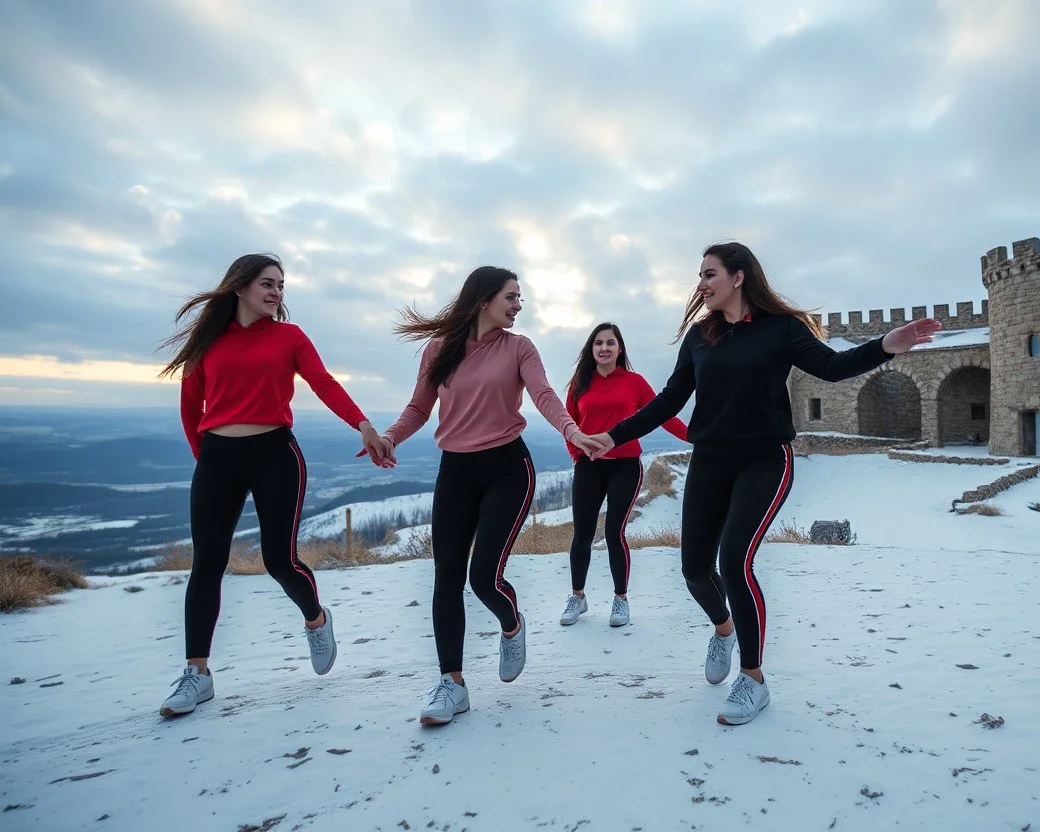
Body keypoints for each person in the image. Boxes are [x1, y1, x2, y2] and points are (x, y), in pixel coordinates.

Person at [585, 242, 940, 725]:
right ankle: (724, 629)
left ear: (738, 277)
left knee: (734, 562)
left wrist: (886, 346)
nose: (702, 283)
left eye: (709, 273)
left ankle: (752, 680)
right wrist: (612, 436)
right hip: (710, 459)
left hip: (765, 460)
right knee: (693, 570)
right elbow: (668, 401)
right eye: (700, 275)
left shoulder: (780, 329)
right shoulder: (700, 336)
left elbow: (831, 368)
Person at [157, 253, 390, 718]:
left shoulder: (290, 337)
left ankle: (316, 618)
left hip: (275, 456)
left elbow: (323, 383)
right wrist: (206, 459)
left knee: (279, 560)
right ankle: (197, 673)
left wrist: (363, 425)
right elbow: (191, 406)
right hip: (218, 459)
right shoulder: (209, 340)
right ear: (240, 286)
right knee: (207, 563)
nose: (277, 292)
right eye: (268, 283)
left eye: (281, 286)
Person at [373, 266, 603, 726]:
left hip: (507, 469)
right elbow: (420, 406)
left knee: (484, 577)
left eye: (520, 298)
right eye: (511, 297)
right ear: (483, 300)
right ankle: (451, 684)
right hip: (454, 471)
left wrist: (572, 431)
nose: (519, 305)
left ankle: (512, 624)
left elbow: (543, 395)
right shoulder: (439, 350)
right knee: (446, 579)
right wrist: (391, 437)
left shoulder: (519, 347)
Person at [560, 323, 688, 628]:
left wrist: (694, 435)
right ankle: (578, 596)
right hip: (589, 466)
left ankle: (620, 599)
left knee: (614, 533)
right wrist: (577, 455)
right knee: (582, 534)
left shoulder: (635, 382)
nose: (604, 348)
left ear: (620, 349)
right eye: (598, 343)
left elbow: (662, 414)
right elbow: (568, 425)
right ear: (591, 349)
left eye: (610, 343)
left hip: (625, 466)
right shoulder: (579, 384)